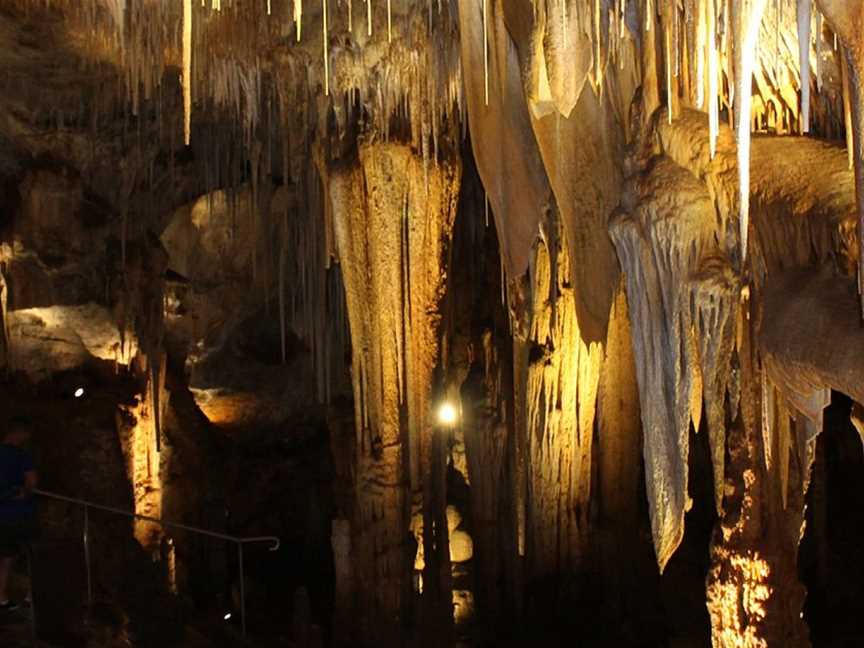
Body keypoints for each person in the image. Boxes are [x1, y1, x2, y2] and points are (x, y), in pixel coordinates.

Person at [0, 416, 37, 612]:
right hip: (18, 513)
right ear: (20, 433)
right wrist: (24, 492)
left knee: (6, 555)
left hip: (2, 513)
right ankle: (34, 595)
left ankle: (2, 597)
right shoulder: (21, 456)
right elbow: (31, 482)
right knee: (29, 554)